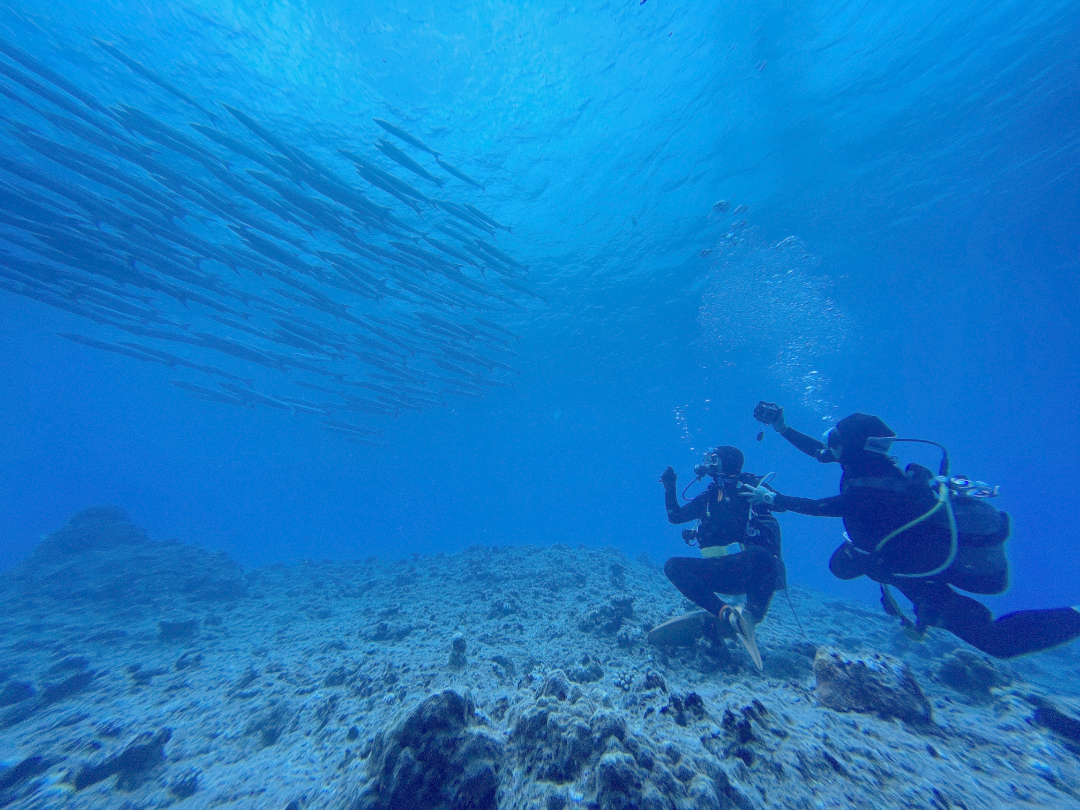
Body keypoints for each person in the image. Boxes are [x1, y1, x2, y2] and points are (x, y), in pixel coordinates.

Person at [744, 404, 1080, 659]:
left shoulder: (871, 488)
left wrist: (774, 499)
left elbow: (824, 507)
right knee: (842, 566)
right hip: (900, 558)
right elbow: (819, 453)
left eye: (836, 438)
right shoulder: (868, 465)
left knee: (996, 641)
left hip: (917, 570)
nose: (830, 443)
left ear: (851, 446)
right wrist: (782, 427)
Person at [658, 445, 785, 670]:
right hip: (729, 569)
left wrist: (762, 494)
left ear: (722, 463)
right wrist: (670, 488)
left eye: (712, 459)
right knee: (673, 566)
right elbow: (676, 517)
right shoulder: (708, 498)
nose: (707, 463)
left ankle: (750, 617)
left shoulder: (752, 487)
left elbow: (780, 503)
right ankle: (727, 615)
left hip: (759, 570)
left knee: (759, 555)